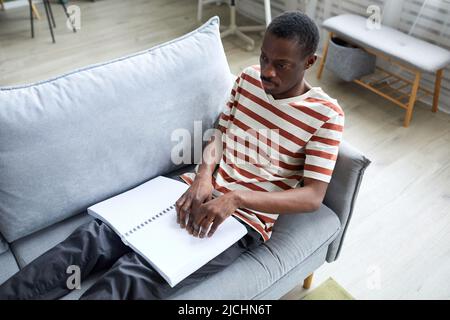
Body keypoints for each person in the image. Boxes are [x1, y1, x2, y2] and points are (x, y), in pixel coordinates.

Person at [0, 11, 344, 300]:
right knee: (92, 239)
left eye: (281, 65)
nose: (268, 71)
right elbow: (220, 134)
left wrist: (236, 198)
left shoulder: (326, 116)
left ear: (309, 62)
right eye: (264, 58)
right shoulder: (248, 80)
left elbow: (313, 197)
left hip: (241, 220)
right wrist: (203, 176)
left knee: (132, 277)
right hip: (189, 189)